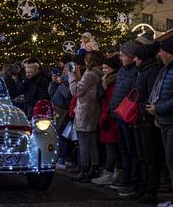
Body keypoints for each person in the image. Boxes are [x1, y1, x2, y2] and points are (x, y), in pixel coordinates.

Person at [147, 37, 173, 207]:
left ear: (170, 52)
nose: (159, 54)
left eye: (162, 51)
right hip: (165, 120)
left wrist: (159, 108)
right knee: (170, 160)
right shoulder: (167, 69)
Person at [131, 36, 163, 203]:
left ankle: (150, 190)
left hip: (146, 120)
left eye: (136, 57)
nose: (134, 59)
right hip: (140, 118)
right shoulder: (143, 70)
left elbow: (151, 94)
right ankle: (143, 188)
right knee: (142, 156)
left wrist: (142, 108)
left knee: (150, 157)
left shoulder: (151, 70)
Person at [109, 41, 142, 197]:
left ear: (131, 56)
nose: (120, 58)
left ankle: (132, 181)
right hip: (118, 114)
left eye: (123, 55)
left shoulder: (136, 71)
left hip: (128, 116)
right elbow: (117, 91)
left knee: (131, 149)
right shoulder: (123, 71)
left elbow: (132, 93)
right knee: (123, 149)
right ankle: (126, 178)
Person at [68, 50, 104, 182]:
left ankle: (84, 169)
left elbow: (76, 91)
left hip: (85, 110)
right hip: (93, 109)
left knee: (83, 141)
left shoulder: (90, 74)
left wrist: (71, 76)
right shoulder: (99, 73)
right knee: (92, 141)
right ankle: (93, 167)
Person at [92, 54, 122, 186]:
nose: (104, 70)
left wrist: (104, 118)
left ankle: (111, 172)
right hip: (107, 116)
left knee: (111, 147)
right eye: (103, 68)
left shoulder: (111, 82)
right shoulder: (106, 80)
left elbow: (109, 102)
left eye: (107, 68)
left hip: (110, 118)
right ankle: (114, 171)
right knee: (111, 146)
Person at [49, 63, 72, 168]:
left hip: (64, 111)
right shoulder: (61, 81)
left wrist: (61, 84)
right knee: (57, 133)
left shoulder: (68, 82)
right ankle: (58, 156)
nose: (64, 71)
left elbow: (69, 96)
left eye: (67, 69)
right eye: (64, 69)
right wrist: (53, 83)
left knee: (63, 134)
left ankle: (63, 158)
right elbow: (51, 92)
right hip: (56, 110)